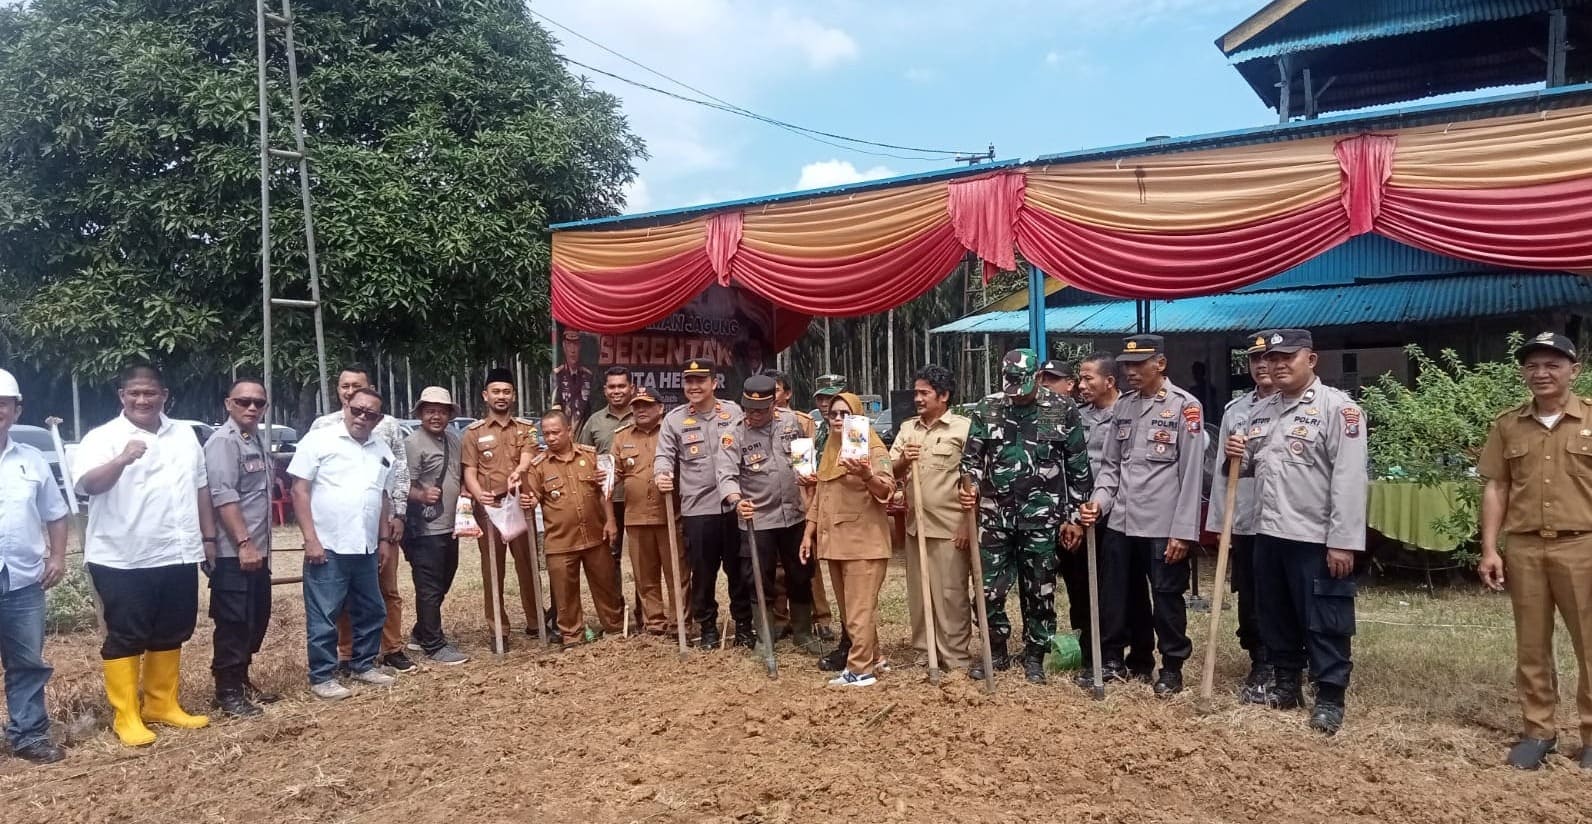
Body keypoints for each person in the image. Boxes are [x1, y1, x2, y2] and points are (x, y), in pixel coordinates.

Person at [1224, 328, 1366, 735]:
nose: (1277, 365)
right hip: (1268, 531)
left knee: (1325, 620)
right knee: (1275, 615)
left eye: (1287, 357)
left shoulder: (1337, 410)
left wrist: (1343, 541)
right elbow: (1252, 466)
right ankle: (1285, 685)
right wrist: (1239, 454)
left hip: (1315, 536)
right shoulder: (1261, 412)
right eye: (1272, 358)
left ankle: (1329, 696)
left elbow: (1349, 479)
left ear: (1311, 359)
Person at [76, 364, 215, 745]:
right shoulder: (102, 437)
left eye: (150, 393)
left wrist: (208, 538)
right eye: (134, 393)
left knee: (172, 630)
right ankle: (126, 716)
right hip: (124, 556)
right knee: (126, 634)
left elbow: (201, 488)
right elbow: (88, 485)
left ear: (164, 395)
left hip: (177, 551)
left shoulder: (185, 436)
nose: (142, 400)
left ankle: (161, 704)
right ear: (122, 396)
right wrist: (121, 459)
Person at [1477, 332, 1592, 769]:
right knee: (1531, 644)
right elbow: (1497, 486)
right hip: (1524, 547)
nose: (1541, 373)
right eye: (1532, 366)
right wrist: (1490, 547)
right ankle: (1538, 731)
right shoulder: (1509, 424)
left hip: (1583, 544)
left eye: (1552, 365)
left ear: (1573, 371)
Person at [1080, 335, 1204, 697]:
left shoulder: (1185, 408)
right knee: (1118, 595)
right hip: (1121, 520)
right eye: (1127, 365)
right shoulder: (1124, 408)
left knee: (1166, 598)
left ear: (1160, 364)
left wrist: (1183, 533)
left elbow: (1192, 475)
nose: (1131, 371)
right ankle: (1120, 660)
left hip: (1162, 524)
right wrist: (1098, 503)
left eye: (1139, 364)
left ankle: (1172, 667)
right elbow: (1111, 468)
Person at [960, 349, 1092, 684]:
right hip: (995, 516)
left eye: (1022, 383)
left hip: (1043, 518)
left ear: (1037, 377)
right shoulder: (988, 408)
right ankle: (998, 649)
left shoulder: (1062, 409)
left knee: (1041, 590)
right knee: (987, 590)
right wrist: (969, 485)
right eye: (1010, 384)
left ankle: (1036, 654)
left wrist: (1074, 516)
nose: (1015, 392)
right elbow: (971, 461)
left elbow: (1078, 467)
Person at [290, 387, 399, 700]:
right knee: (325, 613)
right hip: (329, 545)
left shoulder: (382, 450)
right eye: (357, 410)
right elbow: (300, 491)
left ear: (379, 419)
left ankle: (363, 664)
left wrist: (383, 539)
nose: (362, 417)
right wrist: (311, 539)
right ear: (346, 407)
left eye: (371, 414)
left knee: (372, 609)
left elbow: (381, 497)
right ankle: (321, 675)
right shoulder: (320, 441)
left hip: (365, 546)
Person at [309, 365, 412, 674]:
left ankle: (391, 647)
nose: (350, 391)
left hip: (380, 525)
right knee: (338, 597)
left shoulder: (388, 425)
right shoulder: (322, 427)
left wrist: (399, 513)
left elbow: (399, 472)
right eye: (345, 386)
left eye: (357, 385)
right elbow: (309, 481)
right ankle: (346, 653)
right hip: (337, 531)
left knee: (386, 589)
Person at [717, 375, 820, 655]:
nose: (754, 416)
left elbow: (803, 456)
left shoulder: (789, 422)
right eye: (749, 409)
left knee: (800, 572)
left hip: (794, 514)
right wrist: (736, 501)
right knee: (758, 578)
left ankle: (802, 631)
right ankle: (765, 637)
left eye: (761, 410)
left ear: (774, 404)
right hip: (757, 518)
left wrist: (809, 481)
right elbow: (725, 475)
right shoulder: (733, 432)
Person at [654, 359, 750, 649]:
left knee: (738, 570)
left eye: (700, 381)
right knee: (703, 573)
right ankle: (707, 626)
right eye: (689, 381)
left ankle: (744, 626)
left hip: (733, 506)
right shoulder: (674, 419)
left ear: (714, 383)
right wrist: (661, 474)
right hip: (698, 509)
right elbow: (663, 455)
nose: (694, 387)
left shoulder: (733, 412)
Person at [801, 391, 894, 687]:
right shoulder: (831, 449)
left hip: (863, 543)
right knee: (851, 610)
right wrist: (808, 533)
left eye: (845, 414)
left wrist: (867, 475)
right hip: (836, 543)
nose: (838, 419)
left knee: (858, 611)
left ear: (858, 418)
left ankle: (860, 670)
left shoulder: (873, 449)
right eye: (833, 414)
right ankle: (875, 658)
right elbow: (821, 496)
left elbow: (886, 492)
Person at [0, 369, 69, 762]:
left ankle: (29, 735)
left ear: (16, 409)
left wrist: (57, 556)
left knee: (26, 662)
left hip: (23, 579)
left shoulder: (32, 461)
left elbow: (55, 514)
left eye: (3, 404)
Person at [1074, 352, 1154, 687]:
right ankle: (1103, 655)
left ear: (1109, 381)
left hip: (1126, 514)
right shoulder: (1079, 416)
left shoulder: (1130, 412)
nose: (1081, 385)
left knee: (1132, 589)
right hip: (1090, 511)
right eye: (1079, 378)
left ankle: (1141, 656)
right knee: (1097, 590)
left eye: (1088, 378)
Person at [890, 364, 975, 674]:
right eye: (916, 392)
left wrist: (968, 522)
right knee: (919, 594)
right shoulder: (907, 429)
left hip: (951, 528)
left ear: (944, 396)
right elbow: (890, 472)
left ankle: (955, 658)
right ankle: (925, 654)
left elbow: (975, 479)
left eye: (924, 393)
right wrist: (903, 460)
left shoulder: (963, 429)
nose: (918, 398)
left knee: (951, 596)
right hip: (917, 528)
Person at [204, 378, 278, 718]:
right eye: (244, 401)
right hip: (236, 552)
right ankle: (227, 690)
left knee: (254, 618)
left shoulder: (255, 438)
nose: (252, 408)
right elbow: (223, 496)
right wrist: (244, 543)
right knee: (233, 622)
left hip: (257, 550)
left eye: (258, 403)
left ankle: (241, 679)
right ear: (228, 403)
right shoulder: (223, 442)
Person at [1209, 332, 1276, 701]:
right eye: (1255, 359)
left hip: (1290, 521)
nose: (1262, 365)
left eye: (1269, 358)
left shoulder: (1302, 406)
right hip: (1248, 518)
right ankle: (1261, 660)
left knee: (1285, 593)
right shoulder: (1236, 411)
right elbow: (1221, 472)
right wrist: (1221, 525)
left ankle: (1296, 659)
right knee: (1250, 595)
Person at [461, 367, 547, 645]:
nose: (501, 396)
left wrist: (520, 471)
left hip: (519, 504)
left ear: (514, 396)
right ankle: (498, 627)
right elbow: (470, 471)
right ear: (486, 396)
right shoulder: (473, 433)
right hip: (489, 509)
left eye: (506, 392)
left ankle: (536, 621)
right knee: (492, 569)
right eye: (496, 391)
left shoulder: (525, 429)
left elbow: (528, 455)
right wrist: (477, 494)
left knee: (528, 565)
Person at [522, 411, 621, 648]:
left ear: (569, 431)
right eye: (546, 434)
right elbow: (532, 496)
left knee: (606, 587)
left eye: (556, 432)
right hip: (560, 541)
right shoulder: (539, 466)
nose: (551, 438)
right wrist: (529, 501)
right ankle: (572, 636)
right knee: (565, 595)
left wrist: (610, 521)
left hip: (595, 536)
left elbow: (603, 491)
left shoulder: (590, 456)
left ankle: (615, 629)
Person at [610, 389, 688, 635]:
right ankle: (654, 622)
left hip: (670, 517)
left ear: (660, 408)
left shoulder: (673, 432)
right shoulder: (621, 438)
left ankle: (680, 623)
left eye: (647, 405)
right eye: (636, 406)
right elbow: (614, 476)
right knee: (645, 576)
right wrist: (605, 477)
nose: (640, 410)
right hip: (636, 517)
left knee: (677, 573)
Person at [402, 387, 468, 666]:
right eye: (430, 410)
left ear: (450, 415)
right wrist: (421, 495)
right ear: (420, 414)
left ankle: (421, 631)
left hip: (449, 525)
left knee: (445, 578)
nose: (436, 416)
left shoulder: (454, 440)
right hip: (424, 527)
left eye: (441, 411)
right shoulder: (414, 443)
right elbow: (402, 485)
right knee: (428, 585)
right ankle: (433, 642)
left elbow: (459, 474)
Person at [578, 366, 637, 615]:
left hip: (638, 500)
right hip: (606, 501)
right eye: (611, 387)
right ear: (604, 390)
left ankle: (645, 613)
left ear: (631, 388)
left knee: (641, 559)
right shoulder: (595, 422)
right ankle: (615, 613)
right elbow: (580, 459)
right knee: (609, 559)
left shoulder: (642, 415)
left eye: (621, 386)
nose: (617, 391)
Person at [555, 330, 593, 430]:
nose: (572, 350)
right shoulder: (557, 375)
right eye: (569, 344)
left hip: (584, 429)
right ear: (564, 346)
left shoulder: (588, 376)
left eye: (575, 344)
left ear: (580, 347)